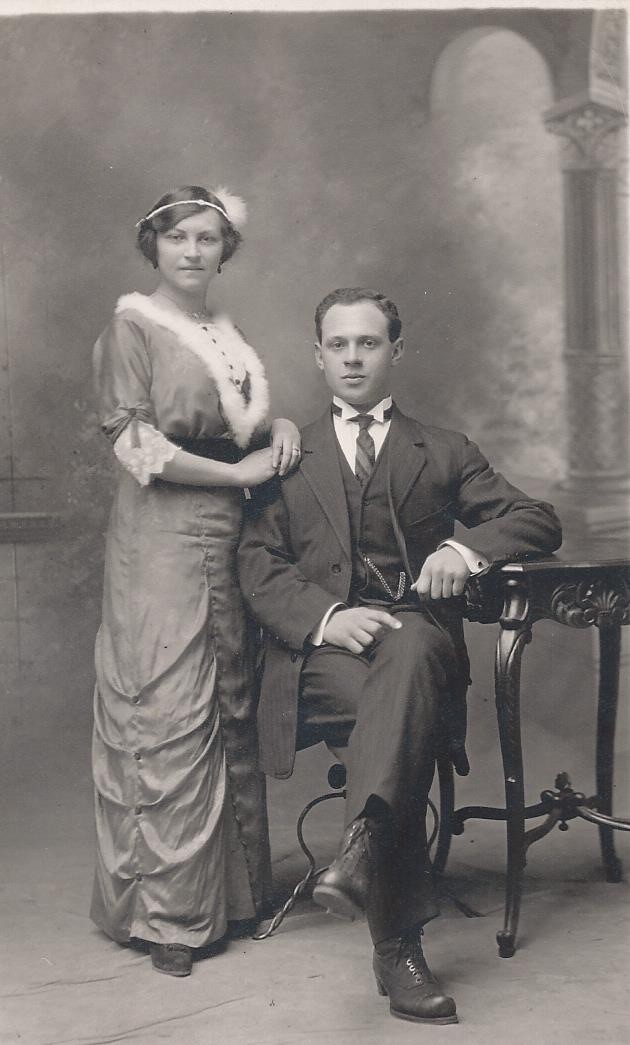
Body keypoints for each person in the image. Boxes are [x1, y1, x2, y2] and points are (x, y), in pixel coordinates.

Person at [237, 287, 562, 1024]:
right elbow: (257, 564)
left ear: (397, 350)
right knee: (397, 720)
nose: (353, 358)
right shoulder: (289, 457)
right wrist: (327, 618)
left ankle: (372, 877)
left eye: (369, 343)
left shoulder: (443, 449)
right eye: (339, 345)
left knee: (411, 645)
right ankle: (397, 944)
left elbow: (537, 518)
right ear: (318, 356)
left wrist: (464, 549)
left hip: (414, 649)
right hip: (321, 661)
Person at [90, 185, 301, 977]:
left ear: (224, 250)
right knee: (169, 705)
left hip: (225, 532)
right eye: (177, 236)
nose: (192, 250)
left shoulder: (224, 331)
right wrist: (239, 471)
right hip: (159, 532)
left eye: (207, 238)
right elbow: (134, 444)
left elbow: (242, 426)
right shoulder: (132, 325)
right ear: (154, 245)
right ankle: (169, 916)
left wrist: (279, 426)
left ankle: (235, 898)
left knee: (227, 699)